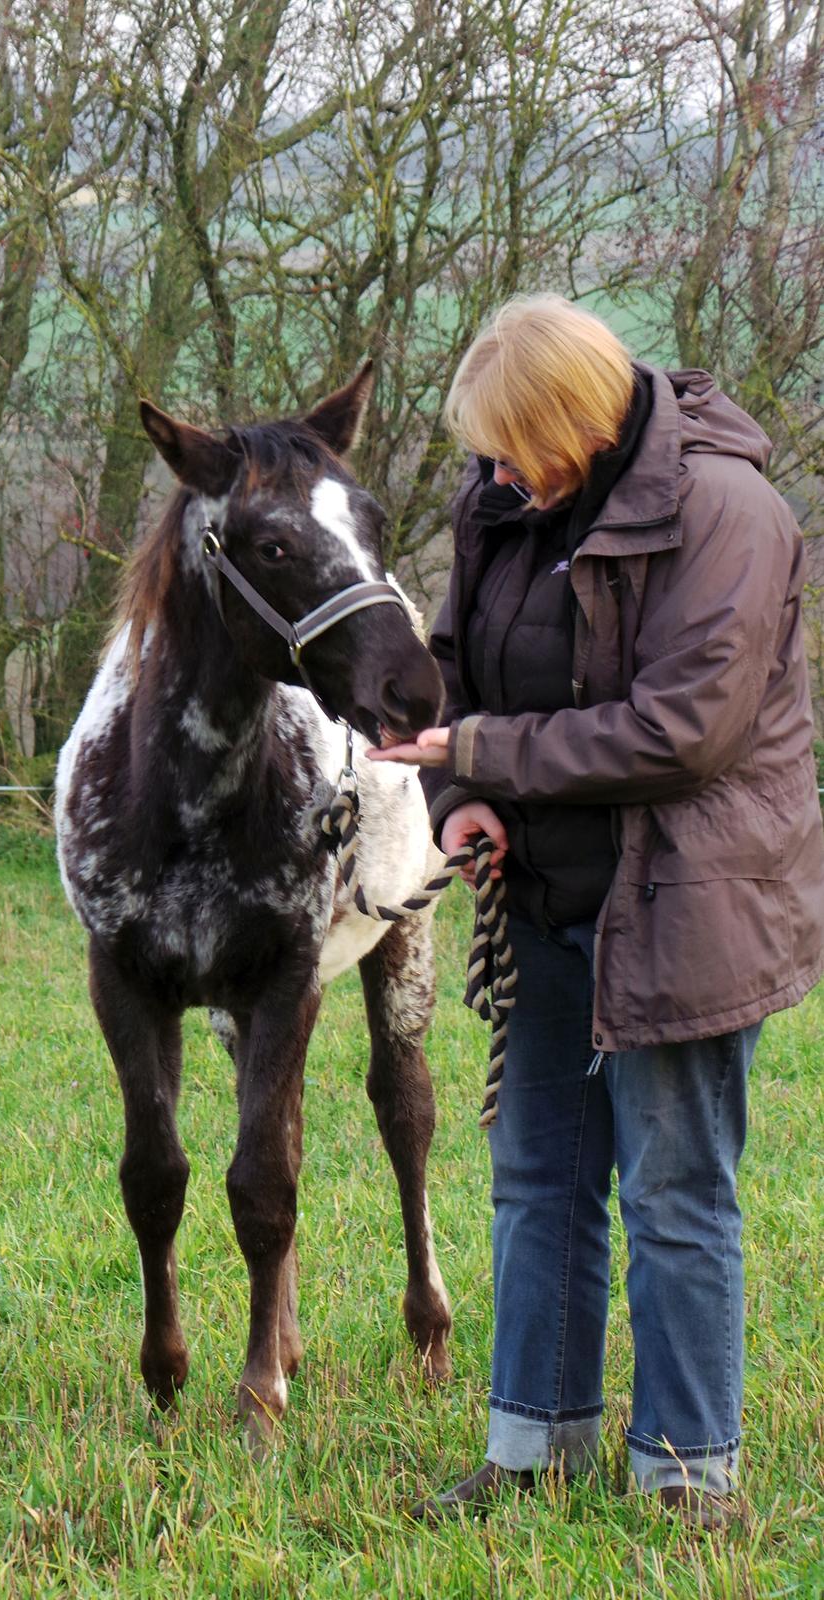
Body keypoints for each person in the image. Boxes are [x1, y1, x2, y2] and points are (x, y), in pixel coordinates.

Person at [368, 295, 824, 1529]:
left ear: (576, 418)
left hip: (689, 902)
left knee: (676, 1194)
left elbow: (682, 732)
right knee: (536, 1178)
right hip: (546, 895)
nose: (499, 476)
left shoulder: (729, 513)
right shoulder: (502, 499)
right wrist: (461, 796)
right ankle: (535, 1446)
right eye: (490, 456)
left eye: (516, 449)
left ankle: (688, 1478)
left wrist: (480, 750)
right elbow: (451, 675)